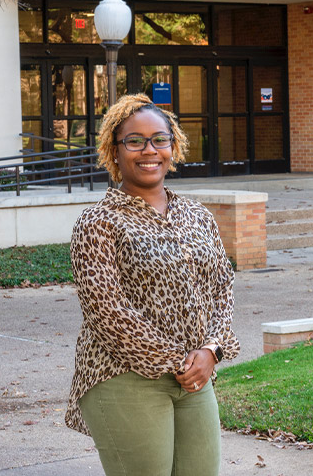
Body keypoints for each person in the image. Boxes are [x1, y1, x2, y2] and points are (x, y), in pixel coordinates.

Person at [65, 93, 239, 476]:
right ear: (115, 149)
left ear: (172, 146)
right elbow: (108, 312)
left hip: (195, 377)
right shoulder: (98, 223)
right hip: (123, 378)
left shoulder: (197, 214)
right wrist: (181, 360)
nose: (149, 150)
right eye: (135, 141)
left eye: (159, 139)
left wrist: (211, 349)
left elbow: (222, 288)